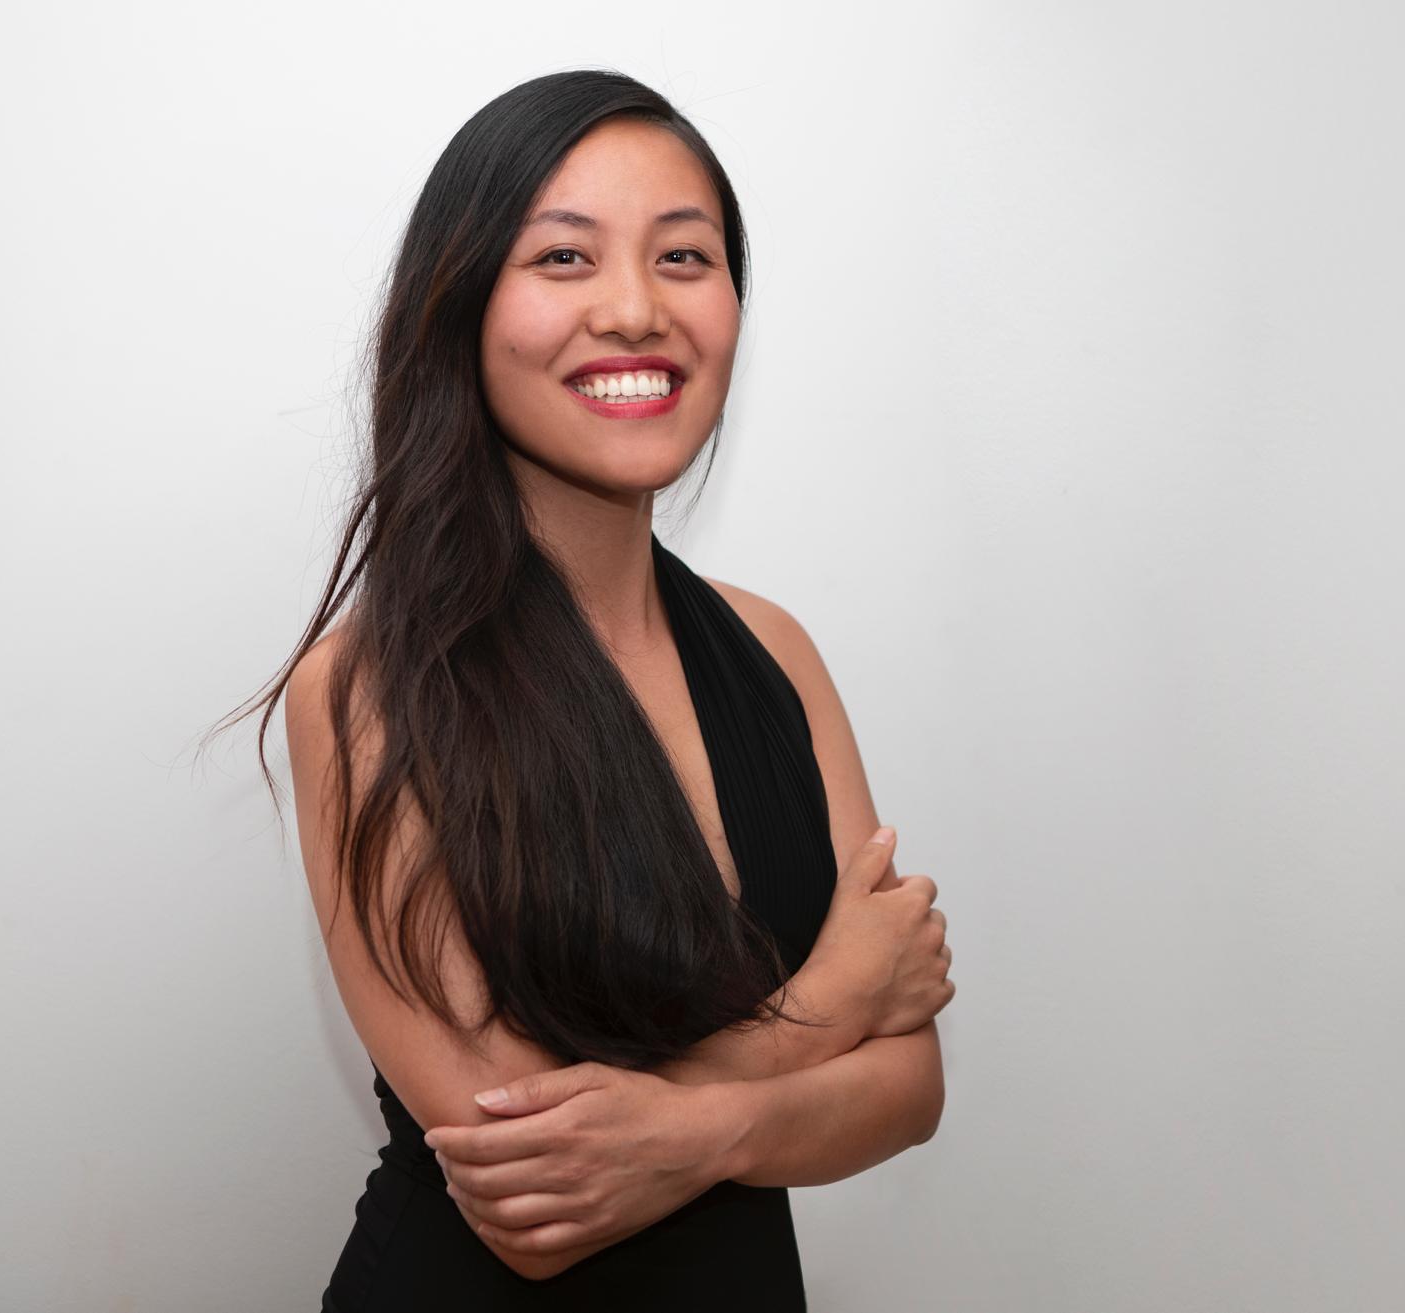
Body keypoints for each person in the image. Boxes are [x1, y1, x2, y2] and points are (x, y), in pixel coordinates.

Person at [228, 69, 954, 1309]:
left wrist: (693, 1133)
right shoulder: (366, 687)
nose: (635, 309)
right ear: (457, 308)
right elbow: (530, 1197)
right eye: (564, 260)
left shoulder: (773, 649)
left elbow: (911, 1089)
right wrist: (830, 1001)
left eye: (686, 257)